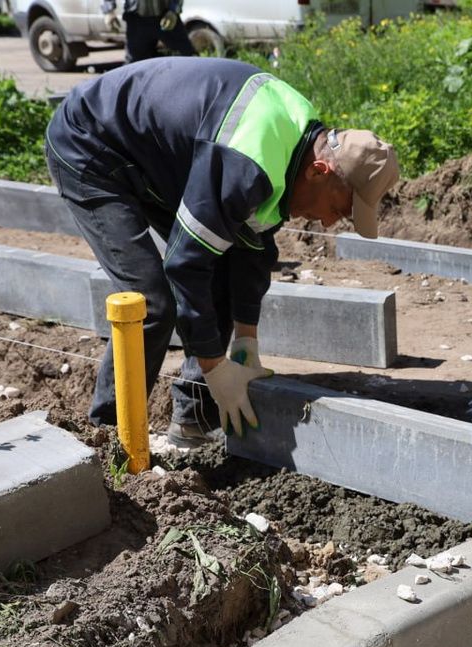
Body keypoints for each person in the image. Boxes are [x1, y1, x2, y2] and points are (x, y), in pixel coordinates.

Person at [45, 58, 399, 446]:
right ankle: (107, 439)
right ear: (319, 171)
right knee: (151, 303)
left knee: (219, 263)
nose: (331, 223)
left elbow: (253, 246)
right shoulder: (248, 163)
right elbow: (185, 265)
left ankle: (193, 416)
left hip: (159, 157)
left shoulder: (298, 141)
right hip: (91, 143)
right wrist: (216, 368)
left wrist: (246, 342)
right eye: (338, 208)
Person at [101, 0, 196, 63]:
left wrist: (174, 11)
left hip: (166, 16)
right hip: (136, 19)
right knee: (135, 67)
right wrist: (109, 11)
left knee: (188, 58)